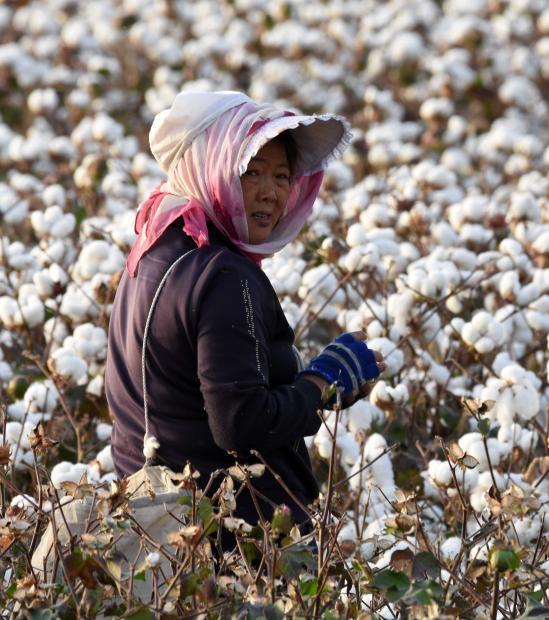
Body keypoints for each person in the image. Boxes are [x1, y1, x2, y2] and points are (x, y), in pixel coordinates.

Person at [104, 91, 384, 554]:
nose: (271, 192)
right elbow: (241, 425)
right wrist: (322, 381)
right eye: (251, 172)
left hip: (153, 530)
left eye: (281, 175)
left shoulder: (154, 247)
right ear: (210, 165)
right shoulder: (222, 276)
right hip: (232, 544)